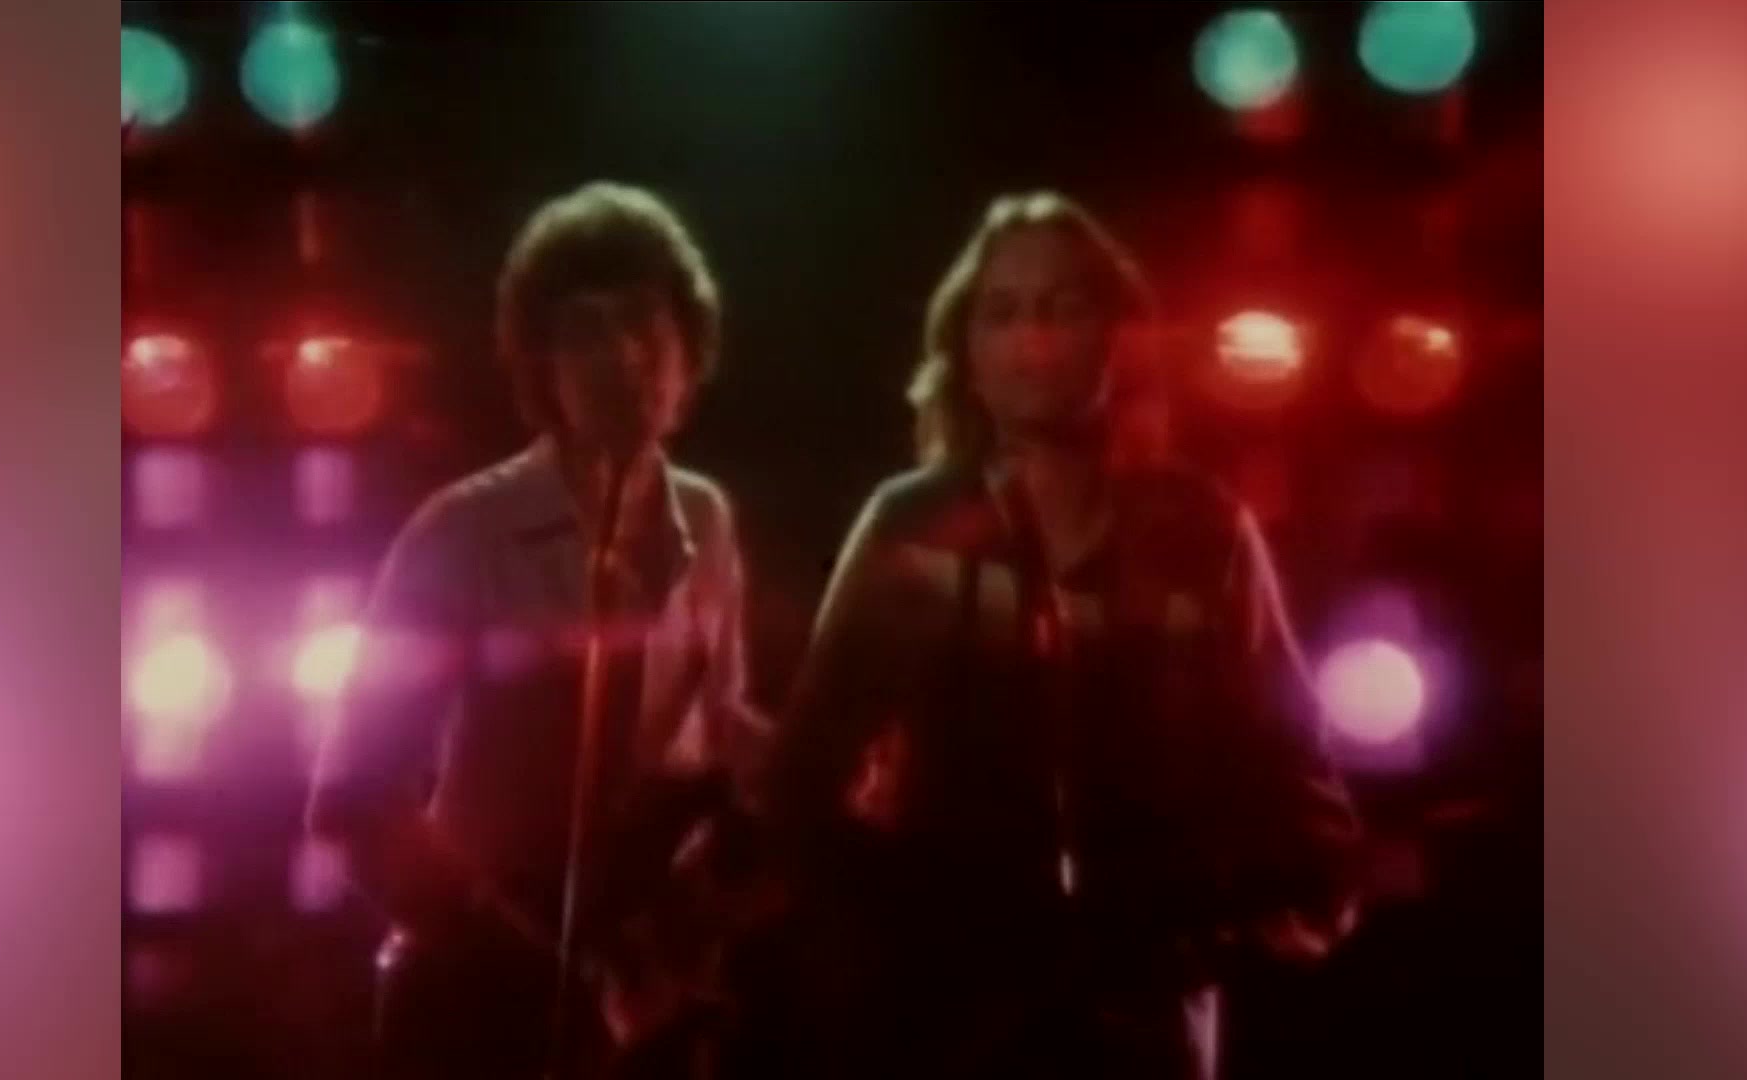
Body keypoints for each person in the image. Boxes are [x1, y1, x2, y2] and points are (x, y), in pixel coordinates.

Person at [766, 191, 1361, 1078]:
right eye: (1002, 312)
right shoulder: (913, 528)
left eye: (1061, 308)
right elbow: (807, 770)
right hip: (945, 1027)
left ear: (1119, 337)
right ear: (968, 352)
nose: (1032, 339)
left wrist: (1225, 933)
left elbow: (1296, 776)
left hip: (1144, 1030)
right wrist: (867, 949)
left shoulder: (1200, 533)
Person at [307, 182, 768, 1079]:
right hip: (477, 1005)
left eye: (643, 323)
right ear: (541, 364)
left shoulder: (708, 519)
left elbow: (717, 730)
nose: (622, 355)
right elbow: (354, 801)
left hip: (644, 1009)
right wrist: (506, 957)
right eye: (585, 331)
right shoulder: (462, 531)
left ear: (690, 347)